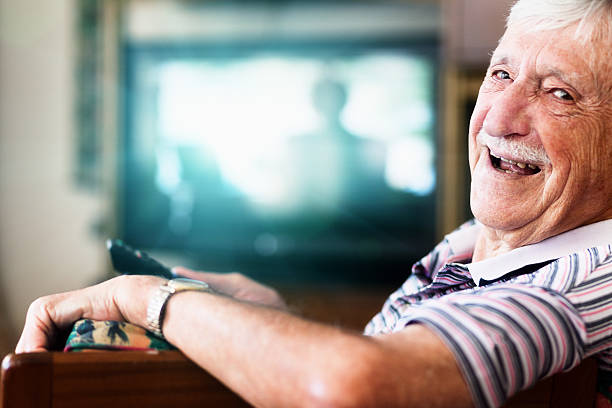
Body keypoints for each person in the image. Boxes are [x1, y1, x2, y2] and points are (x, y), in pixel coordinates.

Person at [16, 1, 612, 407]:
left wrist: (148, 298)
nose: (497, 119)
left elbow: (353, 388)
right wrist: (274, 321)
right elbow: (404, 363)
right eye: (501, 75)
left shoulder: (587, 279)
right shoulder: (484, 241)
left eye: (559, 93)